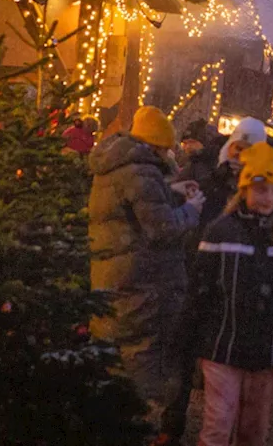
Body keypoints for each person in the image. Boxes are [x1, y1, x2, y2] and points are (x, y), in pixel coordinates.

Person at [188, 142, 273, 446]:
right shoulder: (221, 231)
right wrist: (190, 339)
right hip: (224, 345)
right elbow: (200, 289)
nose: (268, 198)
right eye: (261, 190)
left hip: (269, 349)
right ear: (245, 190)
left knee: (254, 430)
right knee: (218, 425)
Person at [88, 106, 200, 426]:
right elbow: (161, 228)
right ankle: (132, 427)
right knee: (140, 358)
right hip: (141, 283)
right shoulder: (141, 171)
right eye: (167, 149)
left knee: (115, 354)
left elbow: (134, 207)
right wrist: (191, 210)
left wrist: (170, 191)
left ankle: (111, 422)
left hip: (114, 278)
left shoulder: (116, 165)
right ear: (157, 146)